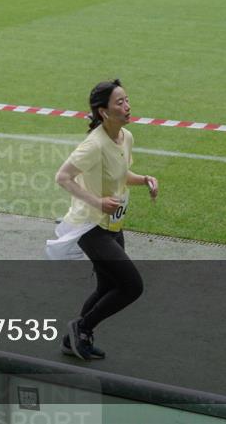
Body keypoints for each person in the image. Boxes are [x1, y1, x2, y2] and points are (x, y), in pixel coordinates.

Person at [47, 79, 158, 360]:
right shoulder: (93, 145)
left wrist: (144, 179)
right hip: (90, 226)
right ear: (103, 112)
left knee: (108, 287)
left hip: (113, 225)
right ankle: (81, 327)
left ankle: (72, 341)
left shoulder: (126, 137)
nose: (127, 106)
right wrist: (97, 202)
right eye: (119, 102)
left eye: (127, 100)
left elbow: (120, 176)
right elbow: (63, 177)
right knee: (132, 286)